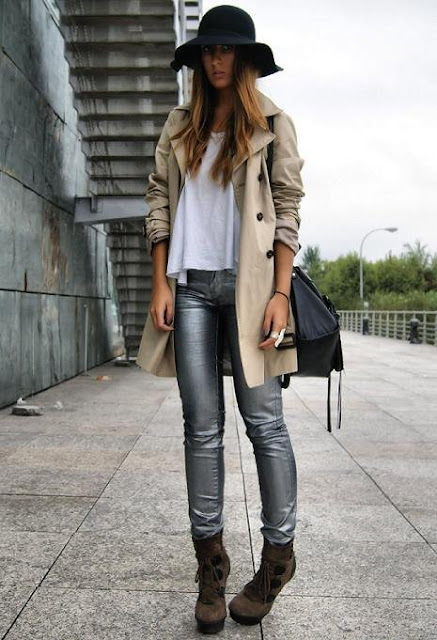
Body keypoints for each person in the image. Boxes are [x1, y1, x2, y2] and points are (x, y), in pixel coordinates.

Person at [137, 5, 305, 634]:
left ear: (246, 59)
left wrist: (281, 293)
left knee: (264, 422)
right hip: (190, 288)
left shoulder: (272, 124)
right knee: (200, 427)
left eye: (226, 50)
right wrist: (161, 280)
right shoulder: (181, 125)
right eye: (208, 50)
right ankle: (210, 565)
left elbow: (287, 207)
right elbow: (159, 196)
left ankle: (278, 559)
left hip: (252, 290)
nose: (215, 60)